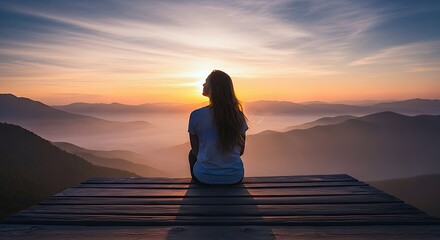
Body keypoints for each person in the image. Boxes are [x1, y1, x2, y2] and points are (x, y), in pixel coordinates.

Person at [188, 70, 249, 185]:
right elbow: (241, 150)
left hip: (204, 179)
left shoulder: (196, 115)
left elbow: (196, 151)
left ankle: (196, 191)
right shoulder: (237, 115)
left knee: (191, 155)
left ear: (213, 88)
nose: (203, 85)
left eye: (206, 82)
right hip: (234, 177)